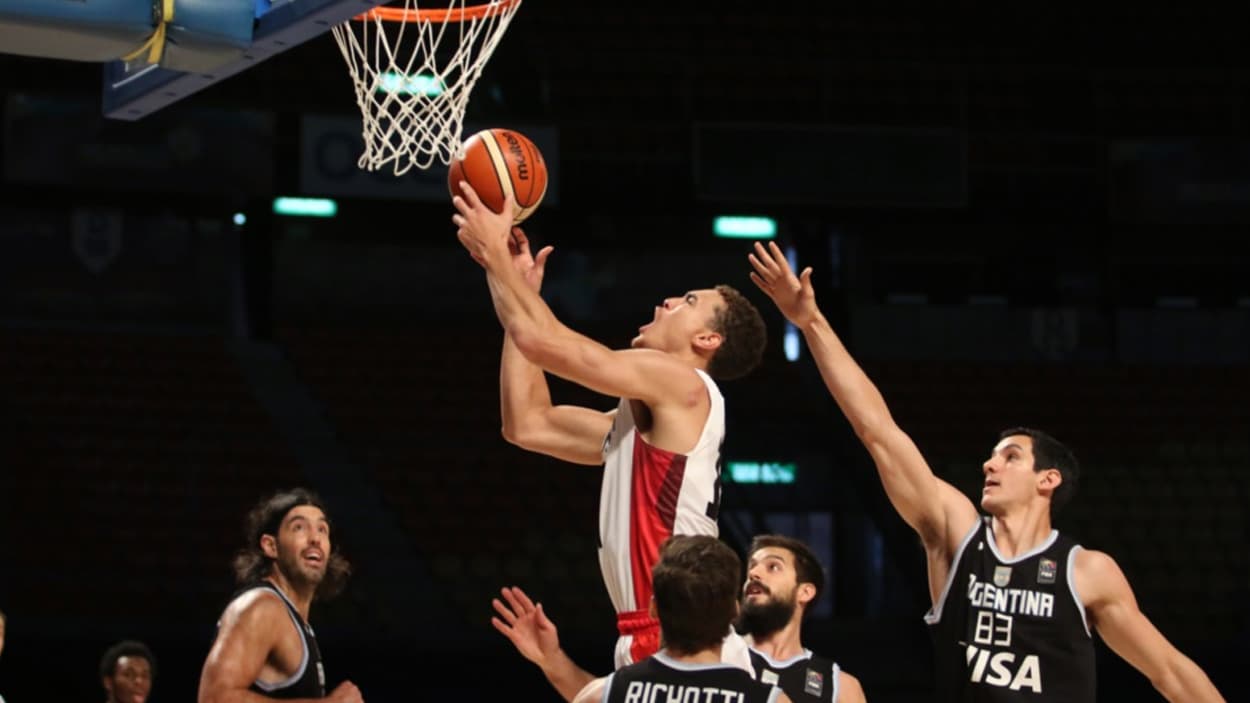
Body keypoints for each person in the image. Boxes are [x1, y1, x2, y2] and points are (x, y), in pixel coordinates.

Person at [747, 241, 1226, 702]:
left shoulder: (1086, 571)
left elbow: (1169, 672)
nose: (989, 463)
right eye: (992, 455)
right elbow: (878, 431)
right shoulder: (957, 536)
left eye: (1011, 456)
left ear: (1048, 480)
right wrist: (811, 323)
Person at [453, 186, 768, 667]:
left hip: (682, 636)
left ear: (707, 339)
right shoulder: (646, 423)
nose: (667, 301)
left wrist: (497, 254)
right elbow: (528, 423)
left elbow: (545, 341)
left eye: (687, 300)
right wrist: (516, 286)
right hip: (650, 635)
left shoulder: (684, 383)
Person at [492, 535, 790, 703]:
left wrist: (553, 660)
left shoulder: (605, 694)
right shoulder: (770, 701)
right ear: (734, 611)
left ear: (653, 608)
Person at [197, 488, 362, 703]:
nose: (315, 538)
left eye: (322, 529)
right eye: (299, 528)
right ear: (271, 546)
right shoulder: (261, 607)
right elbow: (213, 699)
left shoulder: (294, 619)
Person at [739, 535, 865, 703]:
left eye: (773, 567)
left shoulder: (840, 687)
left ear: (805, 592)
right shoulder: (720, 653)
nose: (754, 573)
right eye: (752, 567)